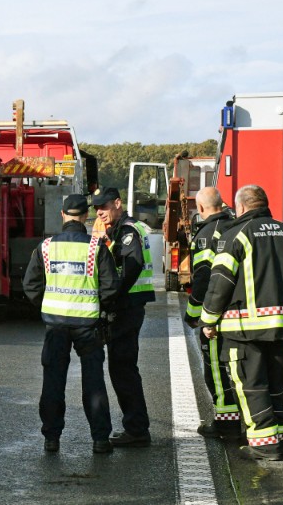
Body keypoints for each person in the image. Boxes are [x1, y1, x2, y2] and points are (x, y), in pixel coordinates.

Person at [200, 185, 283, 461]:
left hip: (245, 329)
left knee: (252, 385)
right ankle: (278, 435)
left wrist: (208, 320)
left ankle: (264, 445)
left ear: (239, 207)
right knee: (276, 384)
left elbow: (220, 284)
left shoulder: (234, 236)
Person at [23, 194, 120, 454]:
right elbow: (110, 288)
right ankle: (100, 439)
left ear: (63, 215)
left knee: (53, 382)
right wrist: (101, 309)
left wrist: (47, 306)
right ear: (85, 217)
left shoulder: (46, 247)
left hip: (55, 324)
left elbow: (30, 285)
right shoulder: (95, 247)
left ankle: (51, 439)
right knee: (94, 382)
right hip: (88, 325)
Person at [92, 187, 155, 447]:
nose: (99, 211)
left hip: (127, 306)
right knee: (123, 367)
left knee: (123, 368)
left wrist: (113, 297)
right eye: (97, 207)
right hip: (129, 305)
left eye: (104, 206)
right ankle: (136, 426)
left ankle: (137, 429)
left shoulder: (128, 230)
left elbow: (132, 265)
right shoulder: (121, 228)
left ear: (118, 203)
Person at [183, 187, 240, 438]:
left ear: (201, 208)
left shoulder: (206, 234)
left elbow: (203, 279)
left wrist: (194, 315)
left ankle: (226, 423)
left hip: (216, 314)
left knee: (215, 369)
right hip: (242, 311)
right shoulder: (239, 225)